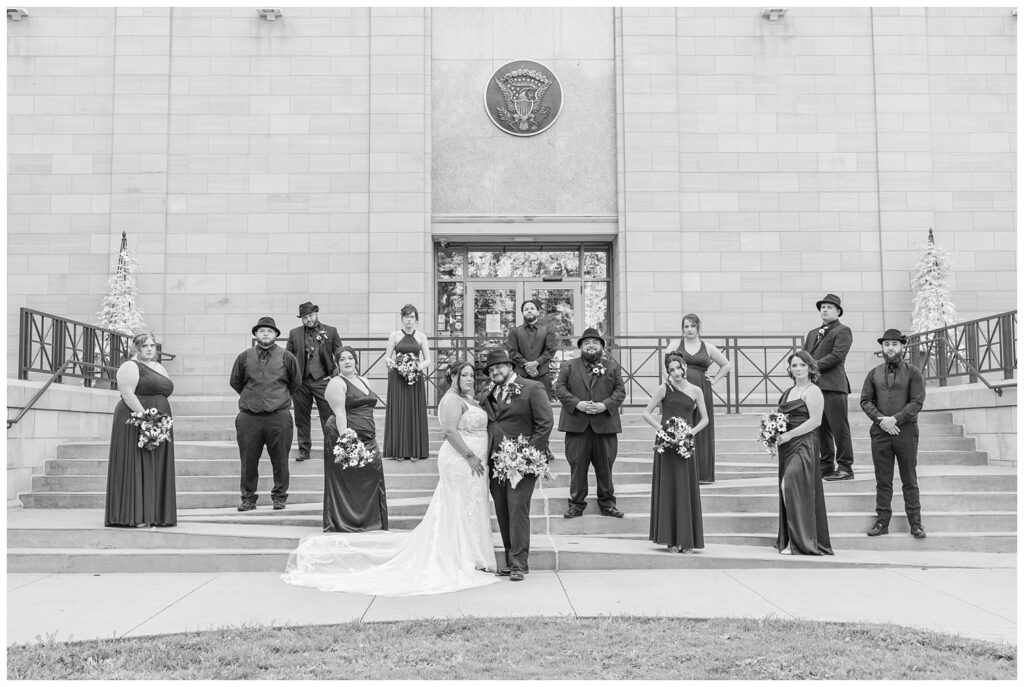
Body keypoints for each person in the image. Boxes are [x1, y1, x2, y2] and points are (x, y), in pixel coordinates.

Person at [282, 360, 497, 595]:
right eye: (464, 375)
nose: (469, 379)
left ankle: (472, 553)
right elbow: (449, 430)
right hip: (461, 461)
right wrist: (470, 456)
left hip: (475, 462)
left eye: (471, 376)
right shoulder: (451, 399)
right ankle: (458, 555)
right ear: (452, 377)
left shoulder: (471, 399)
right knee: (457, 506)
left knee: (471, 505)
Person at [479, 349, 553, 582]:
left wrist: (527, 454)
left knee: (517, 509)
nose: (495, 372)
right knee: (502, 511)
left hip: (521, 462)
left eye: (499, 367)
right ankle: (511, 561)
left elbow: (545, 423)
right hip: (494, 461)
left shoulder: (532, 388)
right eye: (491, 370)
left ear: (510, 367)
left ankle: (520, 564)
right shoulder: (488, 393)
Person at [860, 329, 927, 539]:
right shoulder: (874, 373)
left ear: (902, 347)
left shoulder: (913, 372)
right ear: (882, 347)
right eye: (887, 344)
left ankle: (915, 523)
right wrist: (882, 420)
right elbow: (865, 400)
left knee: (909, 478)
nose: (890, 347)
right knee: (883, 480)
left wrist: (895, 419)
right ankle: (882, 521)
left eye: (894, 344)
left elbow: (917, 401)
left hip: (905, 431)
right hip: (880, 432)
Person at [105, 332, 177, 527]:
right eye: (145, 346)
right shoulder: (130, 366)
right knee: (136, 464)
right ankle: (133, 515)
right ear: (136, 348)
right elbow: (127, 394)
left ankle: (155, 514)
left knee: (155, 465)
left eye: (152, 345)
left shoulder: (159, 367)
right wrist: (146, 418)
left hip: (158, 423)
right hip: (134, 419)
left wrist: (158, 422)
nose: (149, 349)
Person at [553, 327, 626, 519]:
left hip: (605, 426)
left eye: (595, 342)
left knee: (605, 467)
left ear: (601, 346)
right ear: (581, 347)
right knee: (577, 467)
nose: (591, 346)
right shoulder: (568, 366)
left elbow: (620, 391)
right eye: (587, 343)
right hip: (577, 426)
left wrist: (605, 405)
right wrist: (578, 404)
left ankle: (608, 504)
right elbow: (559, 388)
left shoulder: (612, 367)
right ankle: (576, 504)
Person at [229, 316, 301, 512]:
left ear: (276, 335)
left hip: (278, 416)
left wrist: (276, 398)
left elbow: (295, 383)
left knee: (280, 459)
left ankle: (279, 497)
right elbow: (236, 381)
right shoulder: (244, 356)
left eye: (269, 331)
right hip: (249, 417)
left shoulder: (287, 357)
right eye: (262, 331)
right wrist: (252, 397)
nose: (265, 334)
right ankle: (248, 499)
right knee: (248, 460)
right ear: (256, 334)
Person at [641, 353, 708, 553]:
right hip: (667, 445)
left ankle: (687, 540)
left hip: (686, 444)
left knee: (685, 488)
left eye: (679, 368)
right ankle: (670, 539)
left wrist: (689, 434)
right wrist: (662, 431)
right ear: (667, 371)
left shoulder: (696, 390)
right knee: (669, 488)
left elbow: (705, 419)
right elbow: (646, 413)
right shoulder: (664, 389)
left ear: (684, 366)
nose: (676, 373)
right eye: (671, 370)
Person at [321, 346, 388, 532]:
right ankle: (346, 523)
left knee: (372, 476)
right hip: (345, 436)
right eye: (342, 359)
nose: (347, 361)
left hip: (369, 438)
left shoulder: (364, 380)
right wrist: (348, 443)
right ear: (337, 363)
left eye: (350, 358)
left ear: (356, 361)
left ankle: (370, 522)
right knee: (349, 481)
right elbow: (340, 414)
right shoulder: (336, 383)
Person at [775, 350, 834, 556]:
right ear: (789, 370)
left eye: (802, 365)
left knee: (789, 485)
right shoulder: (788, 392)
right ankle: (791, 538)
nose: (798, 369)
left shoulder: (813, 390)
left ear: (810, 367)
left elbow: (815, 421)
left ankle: (801, 541)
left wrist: (790, 434)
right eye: (794, 365)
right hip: (787, 445)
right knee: (788, 489)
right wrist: (773, 432)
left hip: (804, 444)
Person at [664, 313, 731, 483]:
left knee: (700, 428)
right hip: (679, 391)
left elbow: (726, 364)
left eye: (692, 326)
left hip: (701, 390)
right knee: (680, 425)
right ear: (682, 329)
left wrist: (715, 380)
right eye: (686, 326)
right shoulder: (674, 345)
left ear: (698, 328)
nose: (689, 329)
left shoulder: (707, 347)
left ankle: (701, 473)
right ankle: (680, 471)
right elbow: (666, 368)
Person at [802, 293, 855, 481]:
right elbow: (804, 357)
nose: (824, 309)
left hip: (834, 386)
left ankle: (845, 467)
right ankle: (825, 465)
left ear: (838, 311)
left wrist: (810, 366)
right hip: (814, 388)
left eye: (829, 307)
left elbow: (836, 356)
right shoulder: (812, 333)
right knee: (820, 427)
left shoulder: (843, 331)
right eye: (822, 307)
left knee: (839, 428)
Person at [285, 301, 343, 462]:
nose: (308, 319)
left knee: (328, 417)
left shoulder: (330, 331)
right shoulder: (294, 333)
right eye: (305, 317)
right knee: (301, 418)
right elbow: (287, 358)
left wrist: (335, 375)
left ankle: (330, 449)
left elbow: (340, 354)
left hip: (323, 381)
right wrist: (291, 378)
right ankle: (304, 450)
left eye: (310, 315)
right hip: (301, 382)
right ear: (301, 319)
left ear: (316, 314)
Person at [383, 304, 431, 461]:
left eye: (412, 317)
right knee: (398, 410)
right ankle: (398, 450)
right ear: (401, 318)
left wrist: (417, 367)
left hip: (415, 378)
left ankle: (415, 450)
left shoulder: (421, 336)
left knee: (413, 411)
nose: (409, 320)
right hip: (398, 377)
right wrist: (393, 364)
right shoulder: (394, 335)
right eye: (406, 316)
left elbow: (429, 359)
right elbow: (387, 357)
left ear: (416, 319)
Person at [506, 299, 558, 398]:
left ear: (537, 312)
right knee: (521, 408)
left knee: (543, 408)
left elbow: (550, 350)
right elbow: (512, 351)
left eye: (532, 308)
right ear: (522, 313)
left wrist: (536, 363)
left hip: (542, 375)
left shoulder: (548, 330)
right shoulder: (514, 332)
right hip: (521, 377)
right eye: (526, 309)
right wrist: (527, 365)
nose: (529, 311)